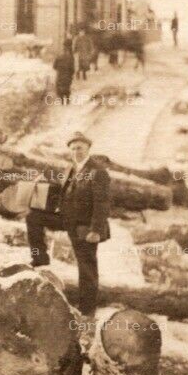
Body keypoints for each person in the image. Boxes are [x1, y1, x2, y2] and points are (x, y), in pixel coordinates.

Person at [60, 132, 111, 316]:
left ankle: (88, 312)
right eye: (73, 149)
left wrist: (96, 230)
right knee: (82, 266)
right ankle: (84, 306)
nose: (76, 152)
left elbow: (102, 203)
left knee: (87, 269)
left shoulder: (98, 172)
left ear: (88, 148)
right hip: (73, 227)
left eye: (79, 148)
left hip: (88, 229)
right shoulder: (71, 169)